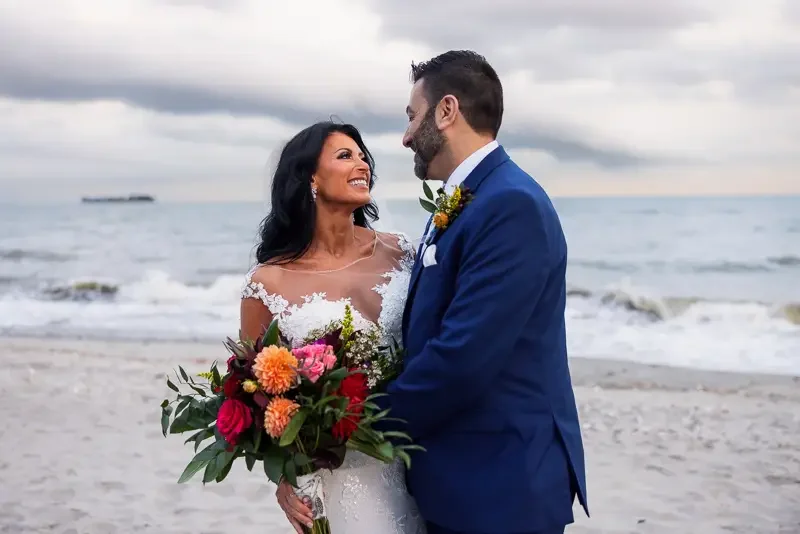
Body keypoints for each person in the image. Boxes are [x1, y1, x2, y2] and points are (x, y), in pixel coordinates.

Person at [273, 50, 590, 533]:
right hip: (454, 477)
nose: (403, 137)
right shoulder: (472, 200)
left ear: (447, 111)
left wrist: (345, 431)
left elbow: (461, 361)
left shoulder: (510, 206)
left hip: (499, 483)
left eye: (411, 116)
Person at [240, 120, 425, 533]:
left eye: (363, 156)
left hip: (421, 455)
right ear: (311, 179)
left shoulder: (404, 251)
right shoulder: (267, 283)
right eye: (345, 156)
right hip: (339, 478)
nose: (362, 164)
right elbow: (258, 396)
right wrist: (284, 477)